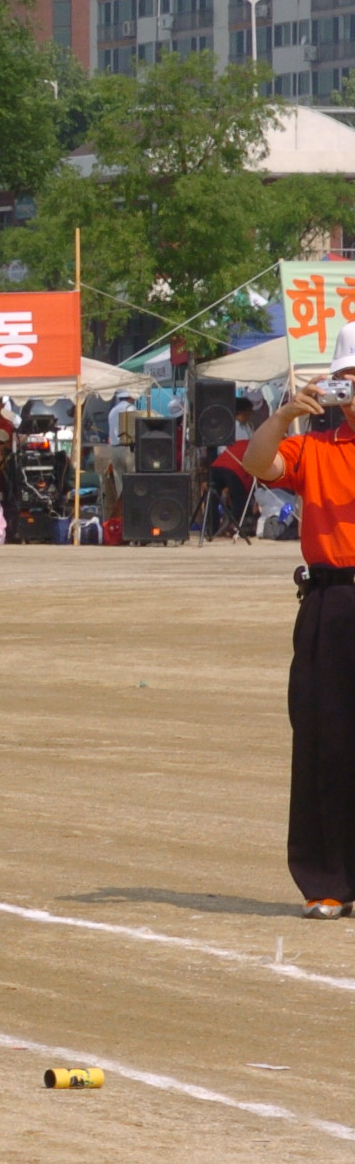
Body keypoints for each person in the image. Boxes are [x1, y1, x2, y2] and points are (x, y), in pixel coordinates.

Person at [246, 333, 355, 918]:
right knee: (325, 739)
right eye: (348, 379)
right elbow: (258, 462)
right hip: (333, 599)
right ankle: (328, 880)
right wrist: (284, 414)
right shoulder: (316, 447)